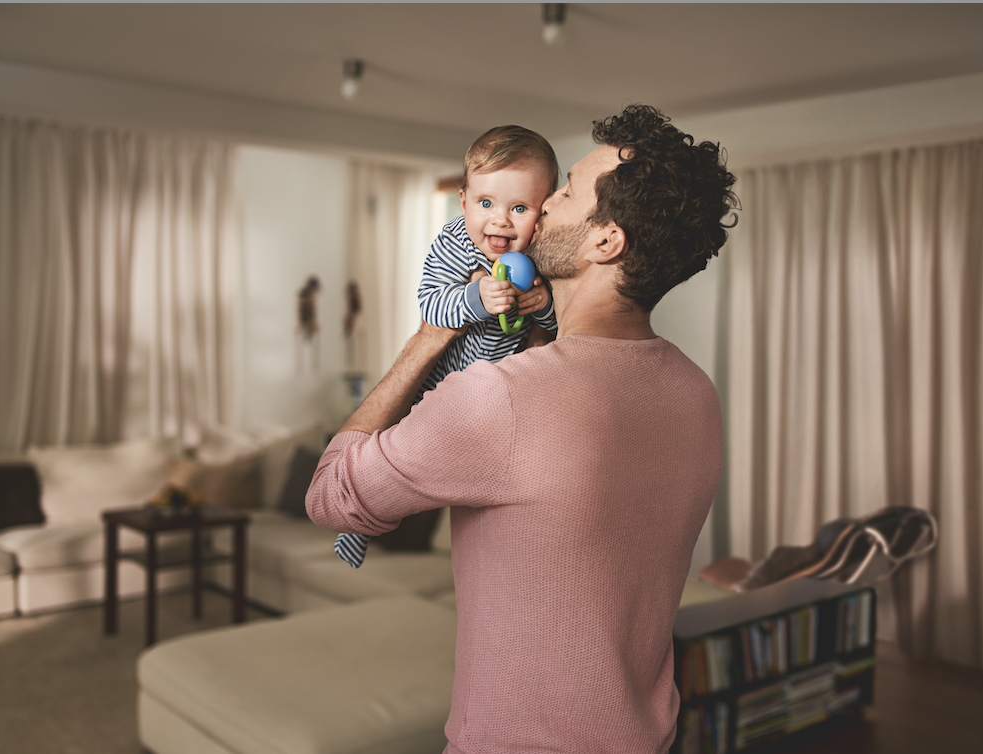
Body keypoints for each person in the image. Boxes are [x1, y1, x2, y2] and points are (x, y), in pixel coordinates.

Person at [307, 104, 738, 754]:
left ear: (605, 241)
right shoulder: (695, 391)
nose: (542, 204)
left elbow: (331, 495)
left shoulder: (502, 398)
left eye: (565, 192)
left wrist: (430, 336)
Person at [333, 125, 560, 568]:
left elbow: (558, 327)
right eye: (486, 203)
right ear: (463, 202)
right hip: (441, 379)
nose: (500, 220)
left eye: (519, 208)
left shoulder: (541, 255)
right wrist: (476, 298)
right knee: (395, 449)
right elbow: (432, 306)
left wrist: (544, 305)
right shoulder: (456, 243)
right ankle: (356, 524)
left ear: (543, 211)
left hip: (498, 391)